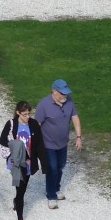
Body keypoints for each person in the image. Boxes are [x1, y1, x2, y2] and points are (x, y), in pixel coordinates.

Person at [34, 79, 82, 208]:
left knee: (60, 166)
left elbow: (75, 118)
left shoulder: (69, 102)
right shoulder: (44, 105)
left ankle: (56, 188)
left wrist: (78, 137)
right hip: (48, 144)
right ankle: (51, 195)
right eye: (62, 93)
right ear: (54, 91)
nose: (65, 96)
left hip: (63, 143)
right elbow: (36, 125)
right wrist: (35, 144)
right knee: (52, 168)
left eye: (66, 93)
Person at [0, 101, 44, 220]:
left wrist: (44, 164)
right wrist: (15, 145)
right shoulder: (11, 124)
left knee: (22, 190)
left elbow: (39, 144)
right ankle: (20, 219)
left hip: (29, 163)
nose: (27, 116)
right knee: (20, 189)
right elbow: (2, 140)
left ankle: (16, 201)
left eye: (29, 113)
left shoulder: (34, 124)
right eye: (24, 114)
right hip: (16, 163)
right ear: (18, 113)